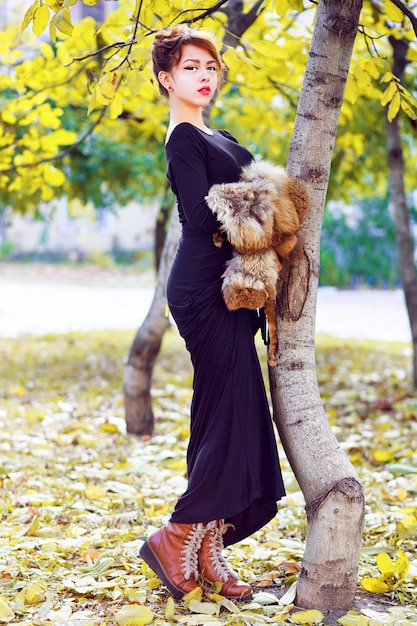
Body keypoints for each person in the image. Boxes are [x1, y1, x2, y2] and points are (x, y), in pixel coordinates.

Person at [140, 25, 286, 602]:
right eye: (191, 67)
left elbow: (244, 202)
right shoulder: (181, 139)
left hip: (234, 288)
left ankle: (206, 547)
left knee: (232, 409)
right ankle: (176, 535)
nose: (205, 76)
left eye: (211, 68)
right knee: (232, 409)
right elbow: (204, 221)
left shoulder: (217, 133)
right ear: (166, 78)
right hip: (205, 289)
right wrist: (261, 214)